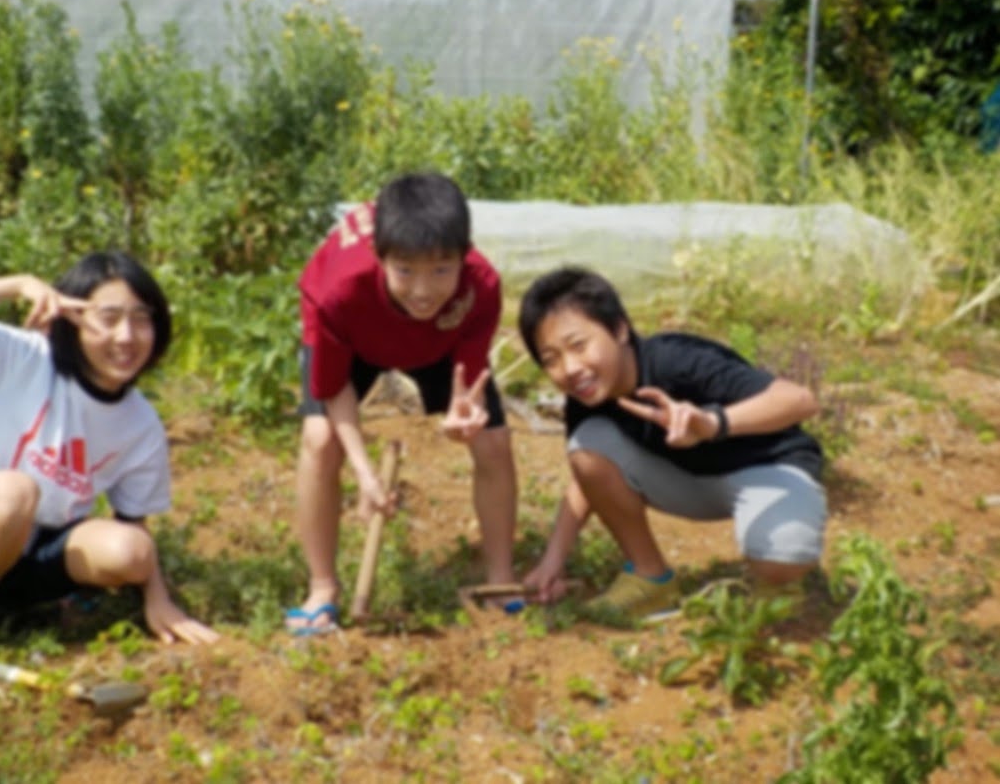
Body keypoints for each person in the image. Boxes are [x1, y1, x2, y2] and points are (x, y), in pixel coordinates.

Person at [0, 251, 219, 664]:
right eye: (109, 318)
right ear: (71, 317)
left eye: (140, 318)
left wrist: (158, 599)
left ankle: (35, 607)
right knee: (14, 491)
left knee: (131, 552)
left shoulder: (141, 423)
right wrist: (16, 283)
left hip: (32, 563)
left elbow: (135, 523)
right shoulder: (24, 358)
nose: (126, 336)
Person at [517, 266, 826, 624]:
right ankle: (651, 579)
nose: (569, 369)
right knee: (586, 446)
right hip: (688, 484)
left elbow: (801, 400)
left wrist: (712, 424)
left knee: (781, 558)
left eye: (577, 345)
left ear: (619, 329)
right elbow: (587, 477)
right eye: (551, 359)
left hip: (766, 469)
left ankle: (782, 583)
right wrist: (552, 561)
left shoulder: (678, 360)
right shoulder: (586, 398)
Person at [289, 172, 519, 634]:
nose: (423, 289)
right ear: (380, 259)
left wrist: (463, 413)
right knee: (319, 439)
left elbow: (467, 376)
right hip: (355, 337)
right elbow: (334, 387)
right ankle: (322, 588)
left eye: (441, 270)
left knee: (494, 442)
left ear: (464, 254)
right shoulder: (340, 291)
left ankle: (501, 578)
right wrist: (364, 473)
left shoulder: (480, 286)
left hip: (436, 341)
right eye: (406, 270)